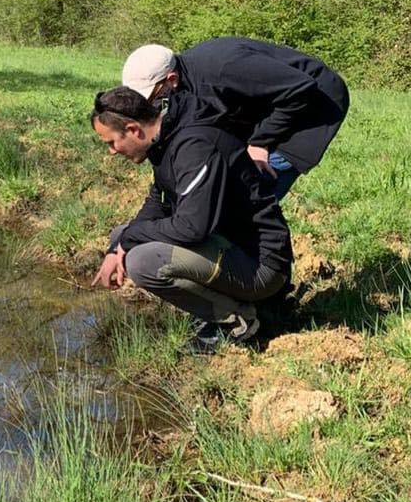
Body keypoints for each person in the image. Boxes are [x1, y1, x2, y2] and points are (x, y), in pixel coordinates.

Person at [89, 86, 293, 353]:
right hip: (229, 246)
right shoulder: (166, 137)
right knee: (121, 236)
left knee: (143, 262)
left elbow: (191, 228)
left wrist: (129, 243)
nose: (112, 152)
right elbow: (158, 201)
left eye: (111, 142)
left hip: (261, 267)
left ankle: (239, 320)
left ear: (133, 129)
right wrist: (117, 248)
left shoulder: (194, 147)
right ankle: (222, 303)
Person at [121, 38, 349, 201]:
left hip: (315, 104)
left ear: (171, 80)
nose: (150, 106)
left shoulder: (222, 69)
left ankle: (262, 258)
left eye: (151, 98)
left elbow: (300, 88)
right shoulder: (187, 79)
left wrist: (260, 142)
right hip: (273, 106)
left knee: (251, 192)